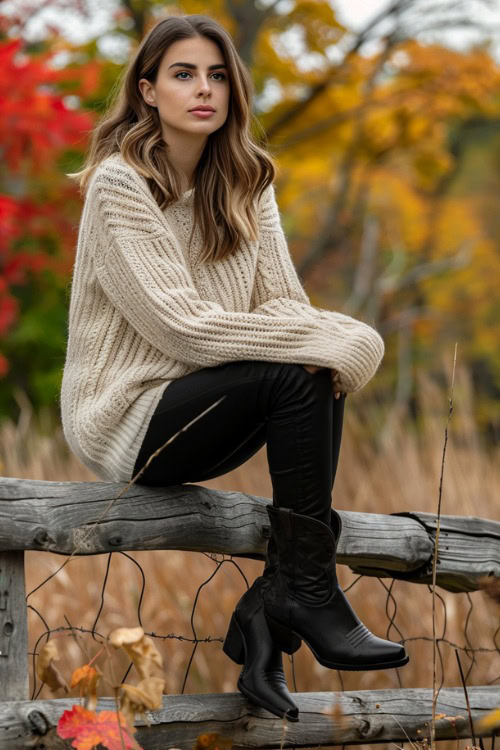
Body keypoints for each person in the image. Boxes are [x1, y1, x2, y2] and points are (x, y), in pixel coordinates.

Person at [60, 13, 408, 724]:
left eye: (217, 76)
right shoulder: (120, 185)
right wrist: (334, 337)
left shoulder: (248, 182)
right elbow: (179, 327)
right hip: (128, 416)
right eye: (184, 74)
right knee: (302, 363)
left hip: (204, 404)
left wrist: (337, 339)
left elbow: (285, 305)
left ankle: (276, 606)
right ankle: (304, 594)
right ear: (149, 90)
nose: (204, 90)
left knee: (312, 369)